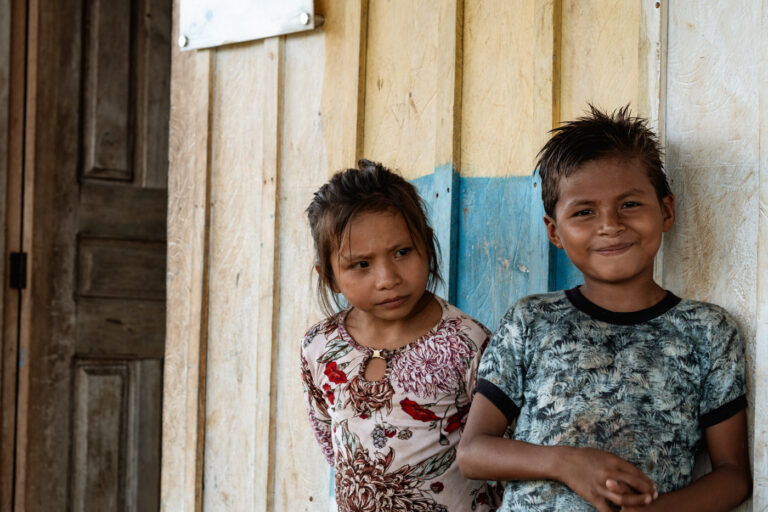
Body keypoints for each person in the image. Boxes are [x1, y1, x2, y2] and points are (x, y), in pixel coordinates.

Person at [457, 106, 752, 512]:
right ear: (554, 231)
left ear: (666, 210)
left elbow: (733, 475)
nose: (610, 225)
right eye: (584, 212)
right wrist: (566, 463)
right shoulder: (531, 321)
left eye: (630, 204)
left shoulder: (707, 331)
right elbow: (473, 453)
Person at [301, 160, 496, 511]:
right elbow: (331, 441)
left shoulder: (467, 343)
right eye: (362, 264)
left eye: (402, 252)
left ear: (426, 244)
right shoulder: (320, 347)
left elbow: (499, 451)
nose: (387, 277)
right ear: (329, 276)